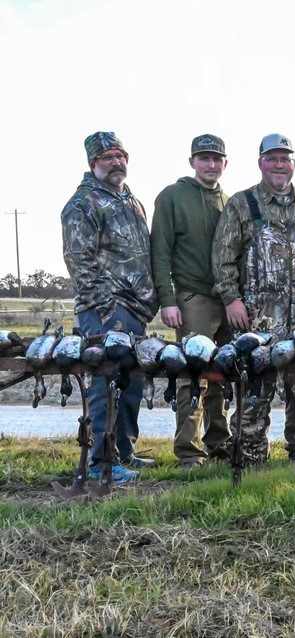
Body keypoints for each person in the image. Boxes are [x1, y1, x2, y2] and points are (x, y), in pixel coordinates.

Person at [212, 134, 295, 465]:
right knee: (255, 386)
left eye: (285, 158)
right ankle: (250, 453)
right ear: (261, 164)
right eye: (272, 158)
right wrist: (231, 299)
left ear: (293, 164)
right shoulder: (242, 204)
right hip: (258, 318)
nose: (279, 164)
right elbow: (223, 257)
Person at [61, 132, 160, 483]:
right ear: (93, 164)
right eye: (107, 156)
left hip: (134, 310)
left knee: (131, 382)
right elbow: (78, 261)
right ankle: (101, 462)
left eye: (120, 155)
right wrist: (105, 309)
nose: (116, 161)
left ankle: (125, 452)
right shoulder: (82, 203)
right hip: (105, 311)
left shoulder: (131, 200)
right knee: (105, 387)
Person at [151, 134, 232, 470]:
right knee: (191, 375)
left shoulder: (229, 200)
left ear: (225, 164)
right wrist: (168, 300)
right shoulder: (172, 197)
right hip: (192, 299)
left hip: (226, 300)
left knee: (222, 374)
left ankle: (219, 444)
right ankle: (189, 451)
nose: (210, 165)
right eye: (204, 158)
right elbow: (160, 252)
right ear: (192, 162)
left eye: (216, 159)